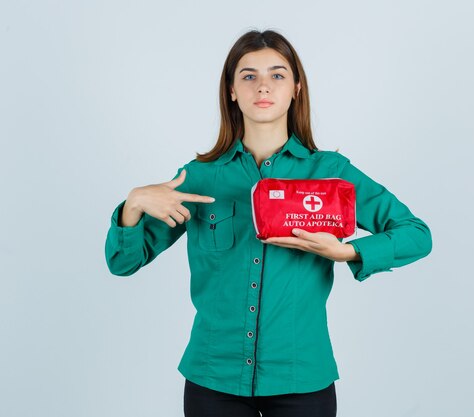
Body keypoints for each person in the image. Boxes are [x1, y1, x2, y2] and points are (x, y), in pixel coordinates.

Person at [104, 29, 433, 417]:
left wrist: (345, 251)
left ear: (296, 88)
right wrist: (134, 204)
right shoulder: (198, 178)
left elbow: (416, 234)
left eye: (277, 75)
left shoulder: (330, 173)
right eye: (248, 75)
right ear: (231, 90)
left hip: (302, 379)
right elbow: (123, 263)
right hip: (214, 380)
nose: (263, 86)